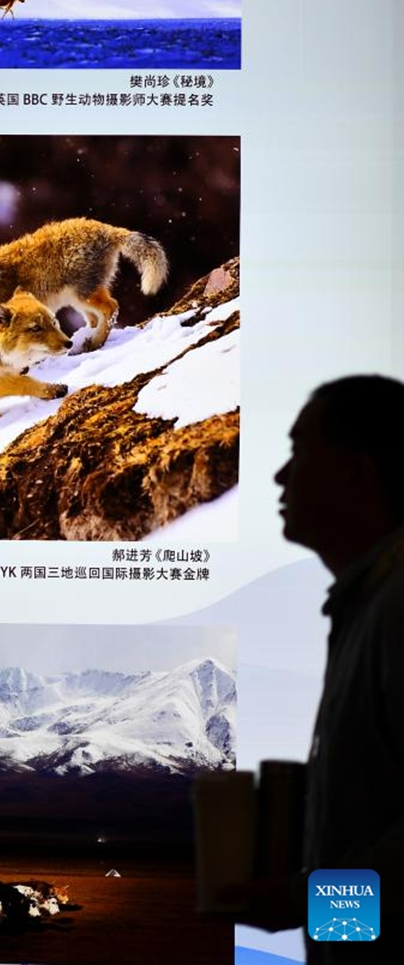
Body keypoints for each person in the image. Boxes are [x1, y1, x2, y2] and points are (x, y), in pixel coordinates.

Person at [240, 375, 404, 960]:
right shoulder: (370, 597)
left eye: (301, 452)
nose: (282, 475)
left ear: (358, 472)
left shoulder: (396, 604)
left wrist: (311, 904)